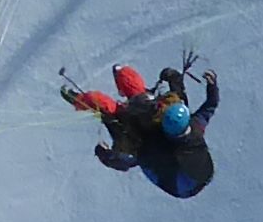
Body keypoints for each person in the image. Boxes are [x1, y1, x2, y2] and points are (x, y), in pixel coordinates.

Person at [59, 58, 219, 198]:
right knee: (138, 100)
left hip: (176, 181)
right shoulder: (191, 123)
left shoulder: (150, 152)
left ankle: (80, 99)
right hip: (196, 169)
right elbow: (208, 106)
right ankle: (123, 76)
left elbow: (128, 160)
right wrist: (210, 87)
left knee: (114, 116)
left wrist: (106, 155)